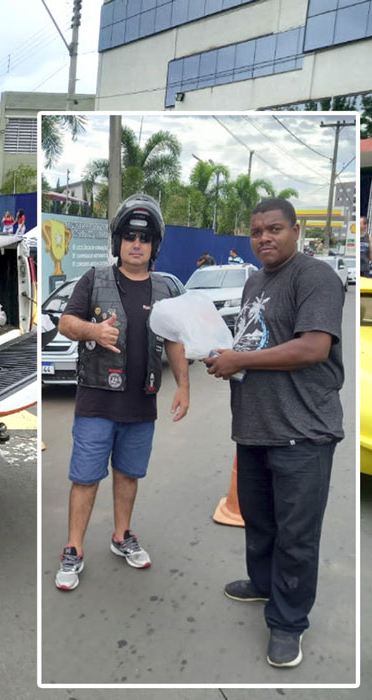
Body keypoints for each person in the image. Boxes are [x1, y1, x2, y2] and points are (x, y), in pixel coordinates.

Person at [203, 198, 344, 668]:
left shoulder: (314, 276)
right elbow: (255, 341)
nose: (264, 237)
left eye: (275, 229)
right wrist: (225, 356)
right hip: (255, 429)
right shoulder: (253, 282)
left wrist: (239, 360)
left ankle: (287, 624)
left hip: (302, 433)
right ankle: (264, 585)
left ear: (296, 230)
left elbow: (313, 347)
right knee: (260, 524)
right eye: (257, 230)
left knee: (296, 537)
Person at [54, 193, 189, 592]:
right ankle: (73, 549)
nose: (136, 244)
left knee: (128, 475)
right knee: (85, 478)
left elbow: (177, 342)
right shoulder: (94, 279)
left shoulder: (166, 289)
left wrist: (183, 384)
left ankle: (121, 535)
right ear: (117, 242)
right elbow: (65, 323)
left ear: (154, 246)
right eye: (129, 236)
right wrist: (93, 331)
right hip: (97, 401)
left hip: (141, 404)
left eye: (144, 239)